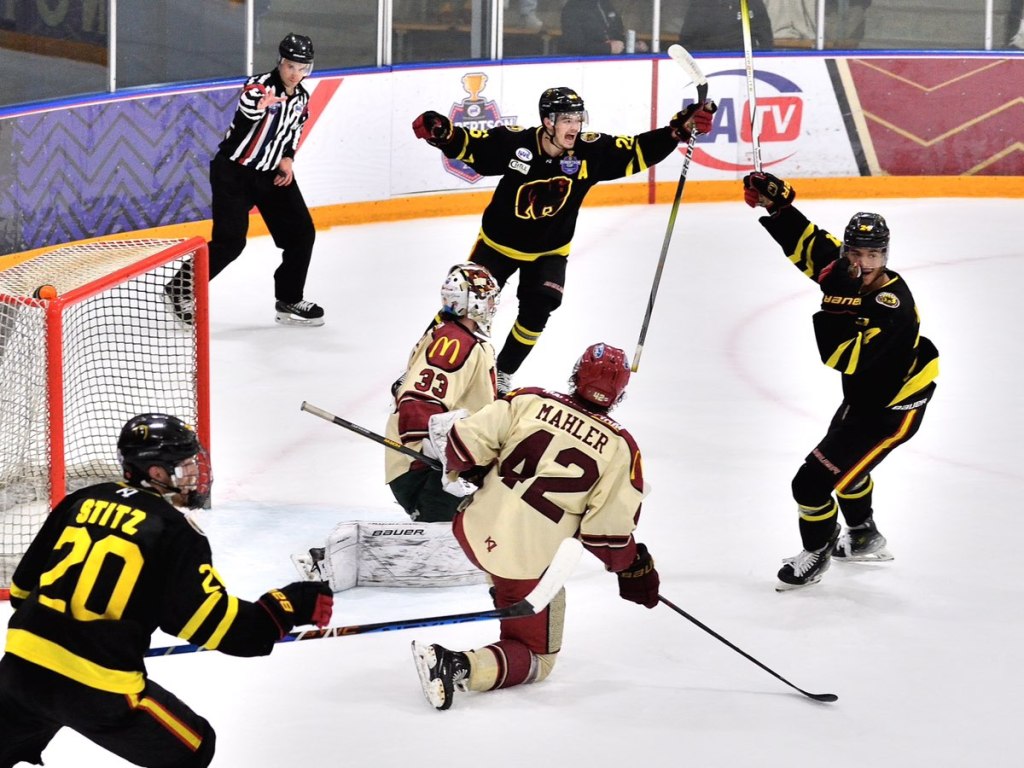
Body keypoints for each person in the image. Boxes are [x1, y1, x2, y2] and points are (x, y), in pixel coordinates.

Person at [0, 413, 333, 767]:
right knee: (194, 750)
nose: (193, 473)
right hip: (100, 688)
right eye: (184, 464)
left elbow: (21, 591)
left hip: (19, 670)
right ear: (157, 472)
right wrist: (287, 606)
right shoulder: (175, 530)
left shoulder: (80, 500)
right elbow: (213, 623)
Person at [412, 88, 715, 394]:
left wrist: (677, 132)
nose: (575, 126)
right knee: (465, 305)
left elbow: (637, 150)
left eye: (578, 119)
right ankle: (422, 368)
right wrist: (444, 133)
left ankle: (502, 372)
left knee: (539, 309)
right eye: (567, 120)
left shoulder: (590, 151)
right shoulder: (517, 144)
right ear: (548, 121)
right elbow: (473, 147)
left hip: (550, 251)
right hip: (497, 246)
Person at [410, 342, 660, 710]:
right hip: (523, 565)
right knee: (538, 656)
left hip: (473, 531)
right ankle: (457, 664)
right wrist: (633, 565)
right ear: (619, 392)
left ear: (577, 373)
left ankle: (505, 595)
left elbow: (461, 443)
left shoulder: (528, 400)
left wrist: (479, 466)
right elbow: (605, 536)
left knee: (507, 553)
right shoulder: (621, 449)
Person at [742, 172, 939, 591]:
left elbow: (842, 357)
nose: (863, 263)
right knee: (846, 470)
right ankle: (864, 535)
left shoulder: (894, 308)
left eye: (873, 254)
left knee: (811, 483)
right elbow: (811, 245)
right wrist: (778, 207)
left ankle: (816, 553)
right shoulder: (848, 269)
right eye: (855, 252)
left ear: (885, 255)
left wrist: (835, 304)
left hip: (892, 411)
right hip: (867, 397)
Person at [166, 33, 324, 328]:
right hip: (234, 174)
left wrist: (287, 158)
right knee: (230, 243)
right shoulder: (259, 87)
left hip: (271, 176)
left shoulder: (301, 97)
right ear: (280, 62)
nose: (295, 73)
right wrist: (261, 107)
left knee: (302, 234)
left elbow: (294, 130)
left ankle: (289, 299)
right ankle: (180, 289)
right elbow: (248, 109)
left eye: (302, 68)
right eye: (290, 66)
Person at [386, 263, 501, 522]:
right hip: (425, 470)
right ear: (472, 302)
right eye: (488, 298)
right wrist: (453, 461)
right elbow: (418, 404)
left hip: (445, 464)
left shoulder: (459, 338)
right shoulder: (454, 342)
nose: (492, 305)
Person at [560, 0, 649, 55]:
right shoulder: (572, 9)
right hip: (587, 67)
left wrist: (633, 46)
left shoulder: (605, 4)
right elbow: (574, 46)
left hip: (613, 64)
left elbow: (616, 34)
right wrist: (607, 48)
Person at [679, 0, 773, 51]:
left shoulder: (753, 3)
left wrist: (763, 60)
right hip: (708, 59)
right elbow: (687, 39)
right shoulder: (700, 4)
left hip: (745, 57)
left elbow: (765, 37)